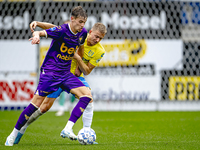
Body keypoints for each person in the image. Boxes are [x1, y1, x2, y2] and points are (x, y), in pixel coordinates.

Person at [5, 6, 91, 146]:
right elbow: (46, 32)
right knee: (36, 105)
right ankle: (14, 133)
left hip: (65, 73)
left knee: (87, 95)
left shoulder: (83, 33)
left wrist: (79, 60)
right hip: (50, 73)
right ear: (72, 19)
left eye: (84, 22)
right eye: (80, 22)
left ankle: (67, 128)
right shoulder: (62, 30)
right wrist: (37, 35)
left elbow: (79, 44)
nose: (82, 25)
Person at [13, 21, 107, 145]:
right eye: (96, 36)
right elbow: (54, 28)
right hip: (59, 73)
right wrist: (39, 24)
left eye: (101, 38)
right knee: (44, 107)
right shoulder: (78, 34)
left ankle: (86, 131)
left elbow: (87, 70)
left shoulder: (100, 51)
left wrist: (78, 59)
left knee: (88, 98)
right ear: (90, 32)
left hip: (74, 78)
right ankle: (23, 127)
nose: (98, 40)